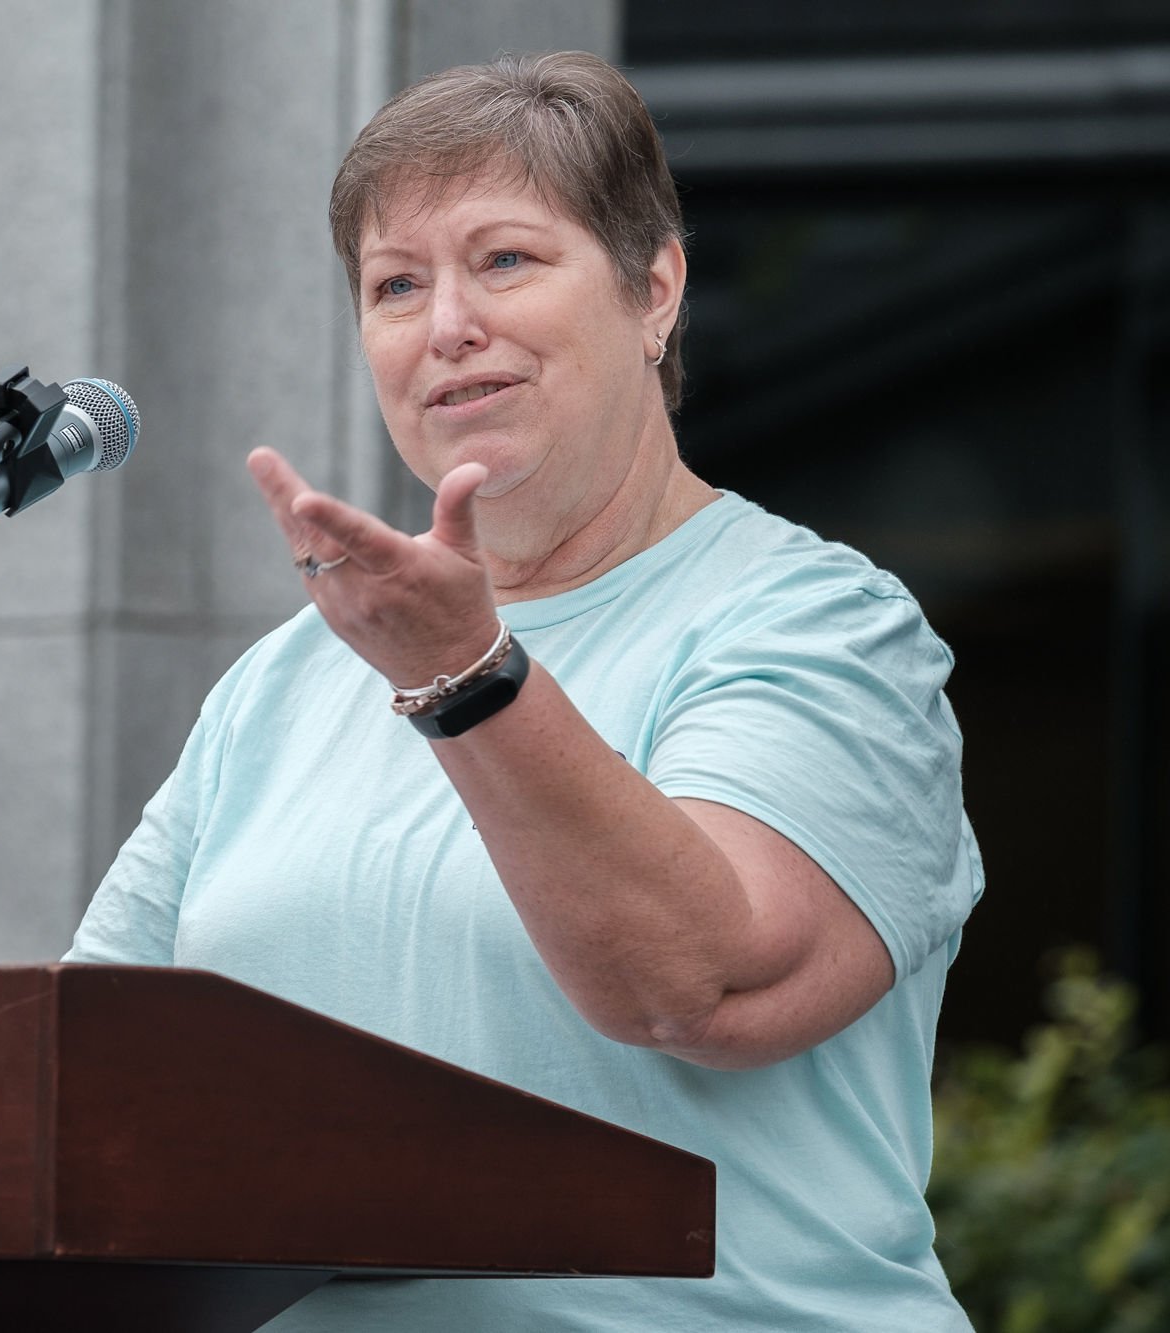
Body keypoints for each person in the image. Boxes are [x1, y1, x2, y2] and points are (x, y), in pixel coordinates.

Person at [65, 50, 982, 1331]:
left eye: (503, 260)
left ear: (652, 288)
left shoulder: (819, 625)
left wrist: (466, 678)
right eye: (395, 285)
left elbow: (701, 988)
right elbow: (80, 1076)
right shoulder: (281, 680)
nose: (446, 325)